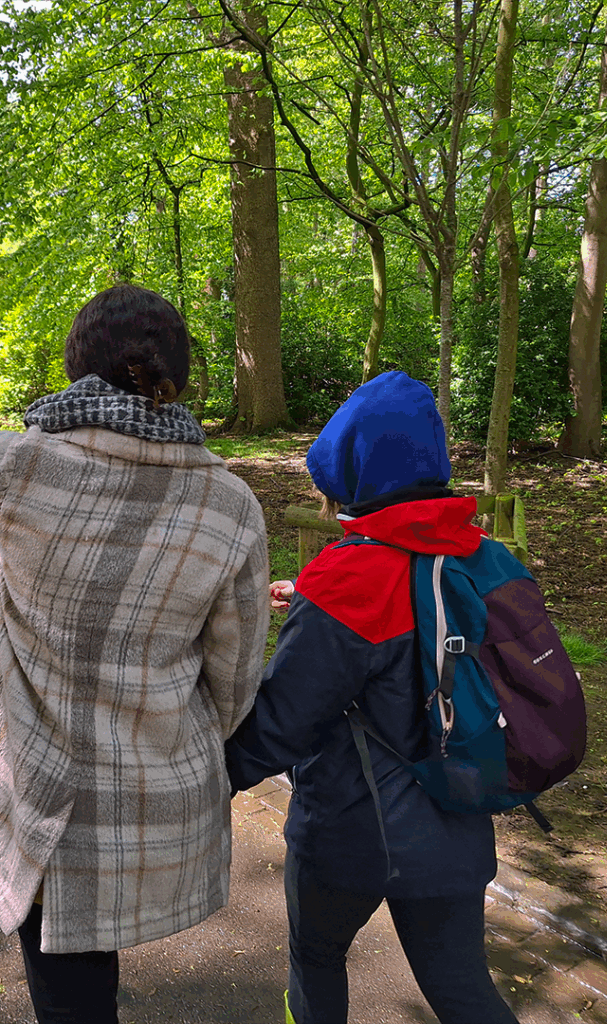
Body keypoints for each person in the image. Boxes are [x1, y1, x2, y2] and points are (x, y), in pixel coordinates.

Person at [0, 283, 269, 1024]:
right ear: (177, 374)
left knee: (68, 989)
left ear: (76, 367)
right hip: (157, 791)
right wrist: (181, 744)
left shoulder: (21, 471)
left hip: (38, 793)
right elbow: (235, 675)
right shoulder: (231, 505)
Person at [224, 371, 520, 1024]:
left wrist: (203, 779)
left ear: (353, 475)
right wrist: (314, 601)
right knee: (464, 991)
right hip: (459, 820)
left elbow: (281, 725)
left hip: (347, 835)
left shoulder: (349, 576)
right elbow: (425, 637)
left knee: (315, 961)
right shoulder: (485, 557)